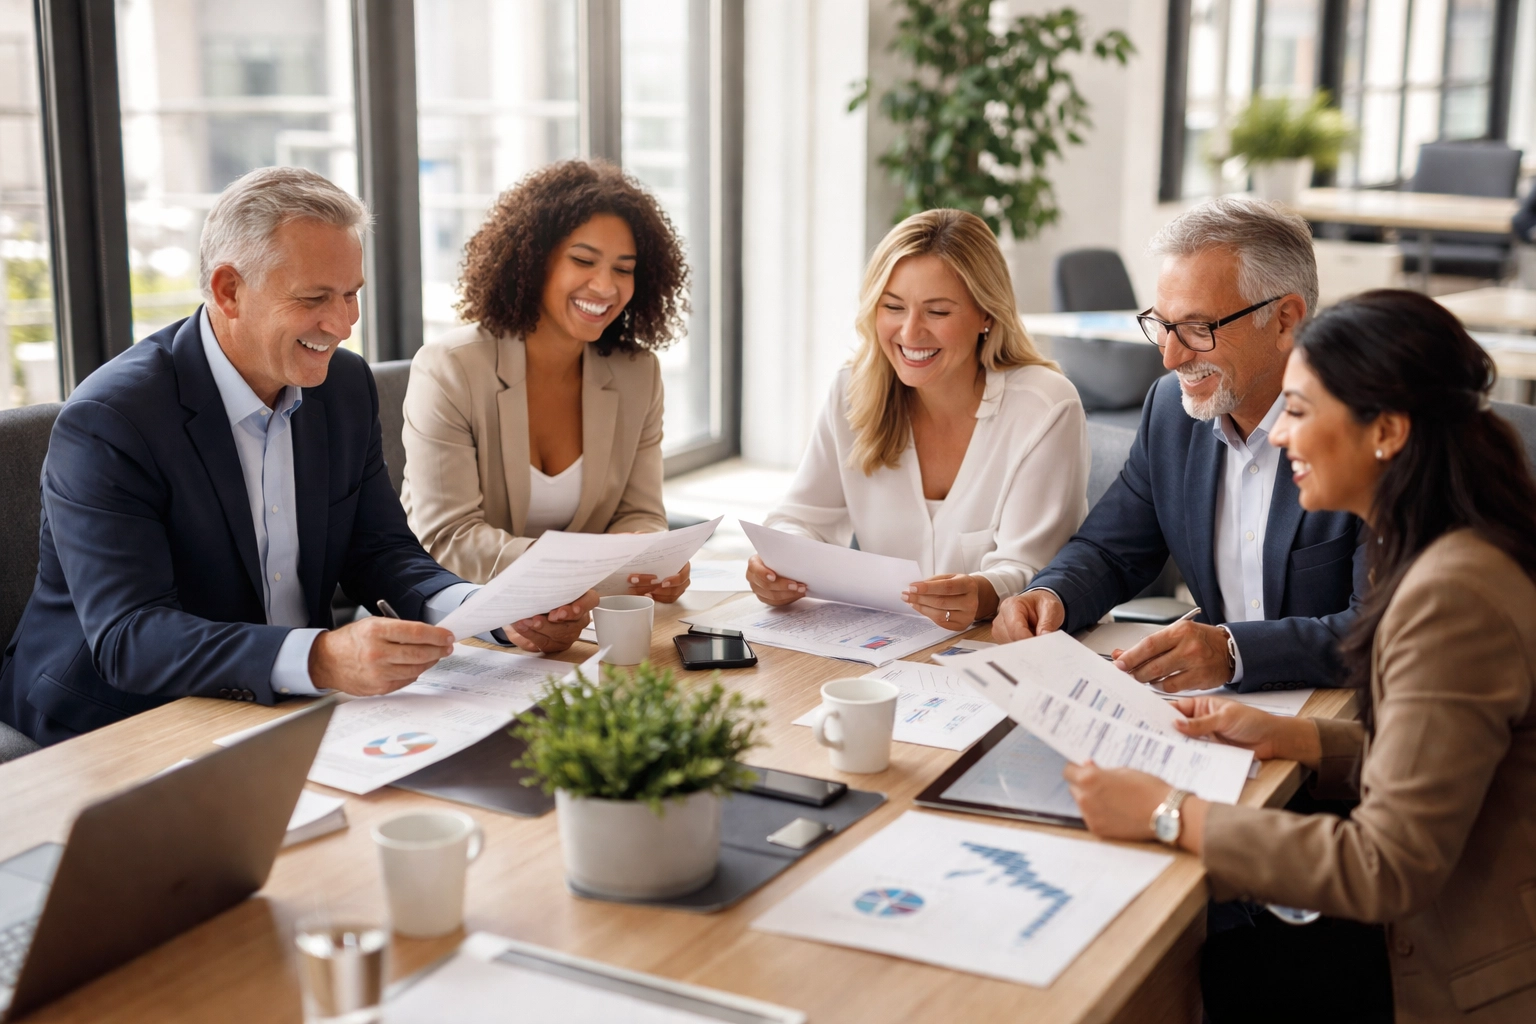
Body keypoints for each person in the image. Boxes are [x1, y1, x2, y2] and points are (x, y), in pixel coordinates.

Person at [1065, 289, 1536, 1023]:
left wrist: (1168, 813)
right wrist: (1302, 737)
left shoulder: (1452, 596)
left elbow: (1386, 867)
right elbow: (1455, 754)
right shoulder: (1432, 547)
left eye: (1300, 410)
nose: (1277, 436)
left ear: (1385, 432)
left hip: (1468, 969)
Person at [0, 167, 592, 746]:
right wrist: (319, 657)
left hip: (287, 703)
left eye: (352, 295)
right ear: (228, 290)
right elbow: (132, 637)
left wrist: (493, 611)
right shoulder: (112, 421)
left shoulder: (342, 387)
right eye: (314, 298)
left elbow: (379, 550)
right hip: (120, 716)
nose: (343, 325)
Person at [994, 196, 1365, 693]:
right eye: (1164, 326)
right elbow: (1112, 549)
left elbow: (1382, 629)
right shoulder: (1173, 409)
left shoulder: (1370, 432)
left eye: (1197, 328)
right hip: (1211, 708)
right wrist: (1050, 594)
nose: (1170, 358)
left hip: (1339, 714)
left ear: (1285, 320)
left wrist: (1234, 652)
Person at [749, 208, 1089, 628]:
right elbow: (799, 518)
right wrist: (779, 564)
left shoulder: (1044, 406)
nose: (910, 334)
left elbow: (1035, 570)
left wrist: (983, 594)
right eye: (893, 306)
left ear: (986, 314)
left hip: (1007, 647)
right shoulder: (851, 390)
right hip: (889, 647)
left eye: (937, 312)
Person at [401, 160, 693, 635]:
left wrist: (651, 555)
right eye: (583, 260)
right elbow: (445, 539)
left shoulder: (638, 373)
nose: (606, 286)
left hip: (580, 623)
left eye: (624, 269)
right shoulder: (451, 368)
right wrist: (567, 572)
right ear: (534, 260)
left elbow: (637, 511)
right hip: (462, 623)